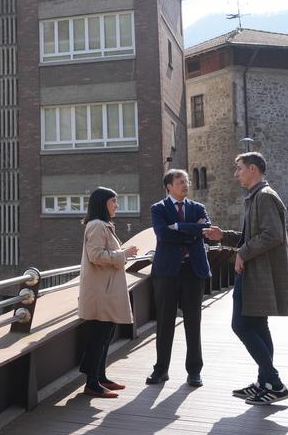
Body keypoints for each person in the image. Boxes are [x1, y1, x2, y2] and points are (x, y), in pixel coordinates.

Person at [203, 152, 288, 405]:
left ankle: (274, 383)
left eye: (239, 169)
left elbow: (273, 235)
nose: (236, 174)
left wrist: (242, 253)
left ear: (253, 169)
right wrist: (223, 236)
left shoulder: (265, 197)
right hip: (256, 272)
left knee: (242, 326)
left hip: (257, 274)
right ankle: (264, 382)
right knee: (257, 326)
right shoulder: (258, 196)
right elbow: (253, 236)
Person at [146, 169, 212, 388]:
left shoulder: (197, 207)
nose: (186, 184)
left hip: (193, 271)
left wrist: (178, 227)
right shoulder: (158, 209)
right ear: (169, 186)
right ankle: (161, 370)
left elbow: (205, 230)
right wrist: (191, 231)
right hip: (166, 272)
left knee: (194, 322)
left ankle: (195, 371)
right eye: (180, 181)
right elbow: (162, 234)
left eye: (187, 181)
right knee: (165, 323)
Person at [77, 187, 140, 398]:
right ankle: (92, 383)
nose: (117, 205)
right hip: (101, 292)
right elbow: (95, 255)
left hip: (105, 290)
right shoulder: (96, 226)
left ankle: (100, 377)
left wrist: (121, 254)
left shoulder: (102, 225)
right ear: (103, 203)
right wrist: (124, 253)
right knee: (99, 336)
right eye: (113, 201)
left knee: (105, 335)